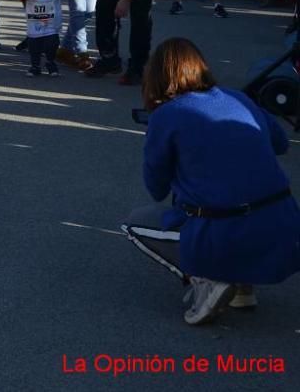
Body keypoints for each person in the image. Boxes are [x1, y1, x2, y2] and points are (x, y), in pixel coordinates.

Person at [122, 37, 299, 325]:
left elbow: (156, 188)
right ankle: (243, 286)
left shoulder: (165, 116)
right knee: (236, 196)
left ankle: (208, 279)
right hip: (285, 226)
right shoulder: (238, 98)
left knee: (137, 220)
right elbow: (280, 143)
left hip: (226, 231)